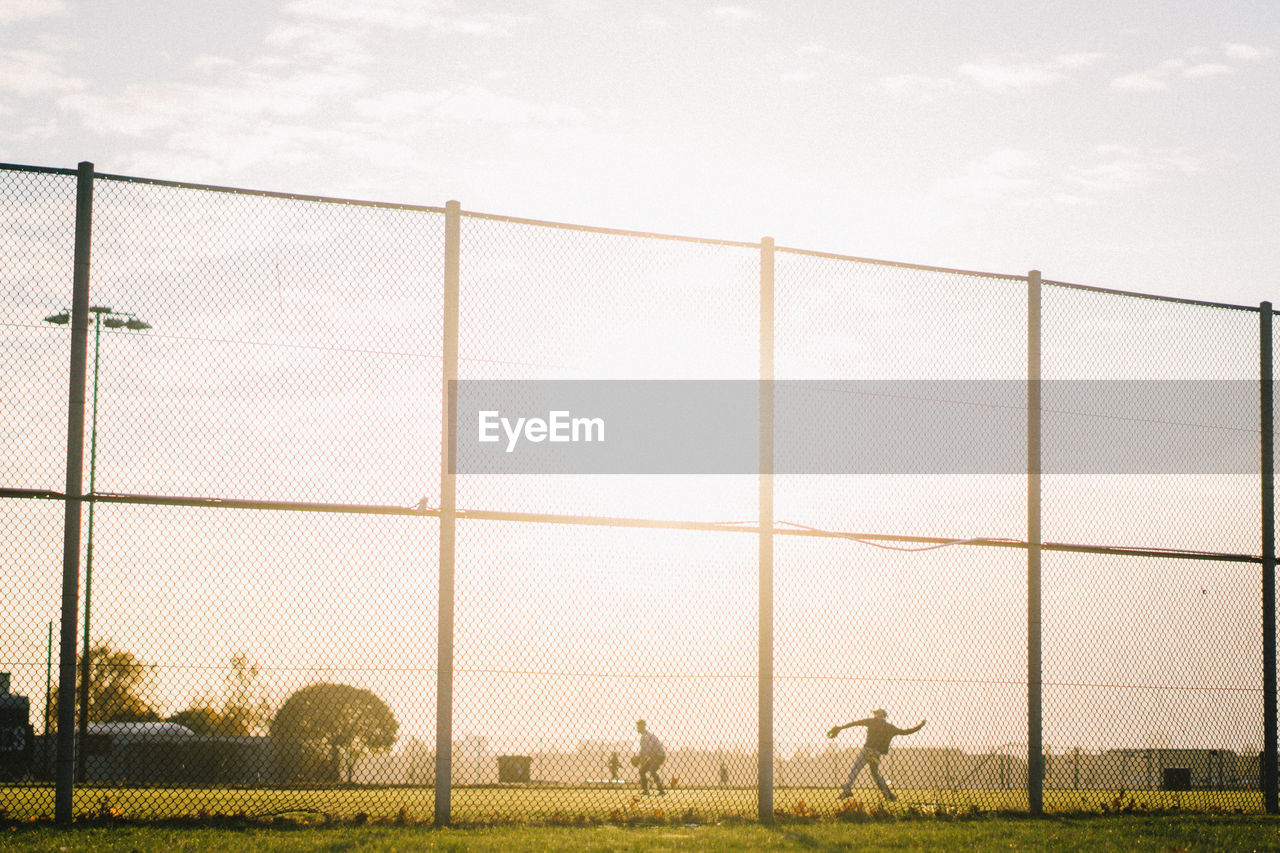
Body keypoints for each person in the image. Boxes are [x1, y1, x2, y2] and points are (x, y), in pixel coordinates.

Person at [826, 708, 925, 801]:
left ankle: (848, 788)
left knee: (856, 768)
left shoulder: (872, 721)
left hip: (867, 750)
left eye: (876, 713)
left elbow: (855, 723)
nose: (875, 715)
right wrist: (920, 726)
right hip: (876, 753)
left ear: (881, 715)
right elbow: (905, 732)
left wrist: (841, 727)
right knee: (875, 774)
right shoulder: (889, 727)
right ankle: (888, 795)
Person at [635, 719, 666, 795]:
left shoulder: (646, 736)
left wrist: (639, 758)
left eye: (639, 725)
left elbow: (647, 751)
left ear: (643, 726)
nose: (637, 727)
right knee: (642, 771)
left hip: (659, 756)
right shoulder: (643, 736)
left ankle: (661, 790)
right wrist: (638, 757)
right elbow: (643, 751)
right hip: (654, 756)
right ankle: (646, 790)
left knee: (652, 770)